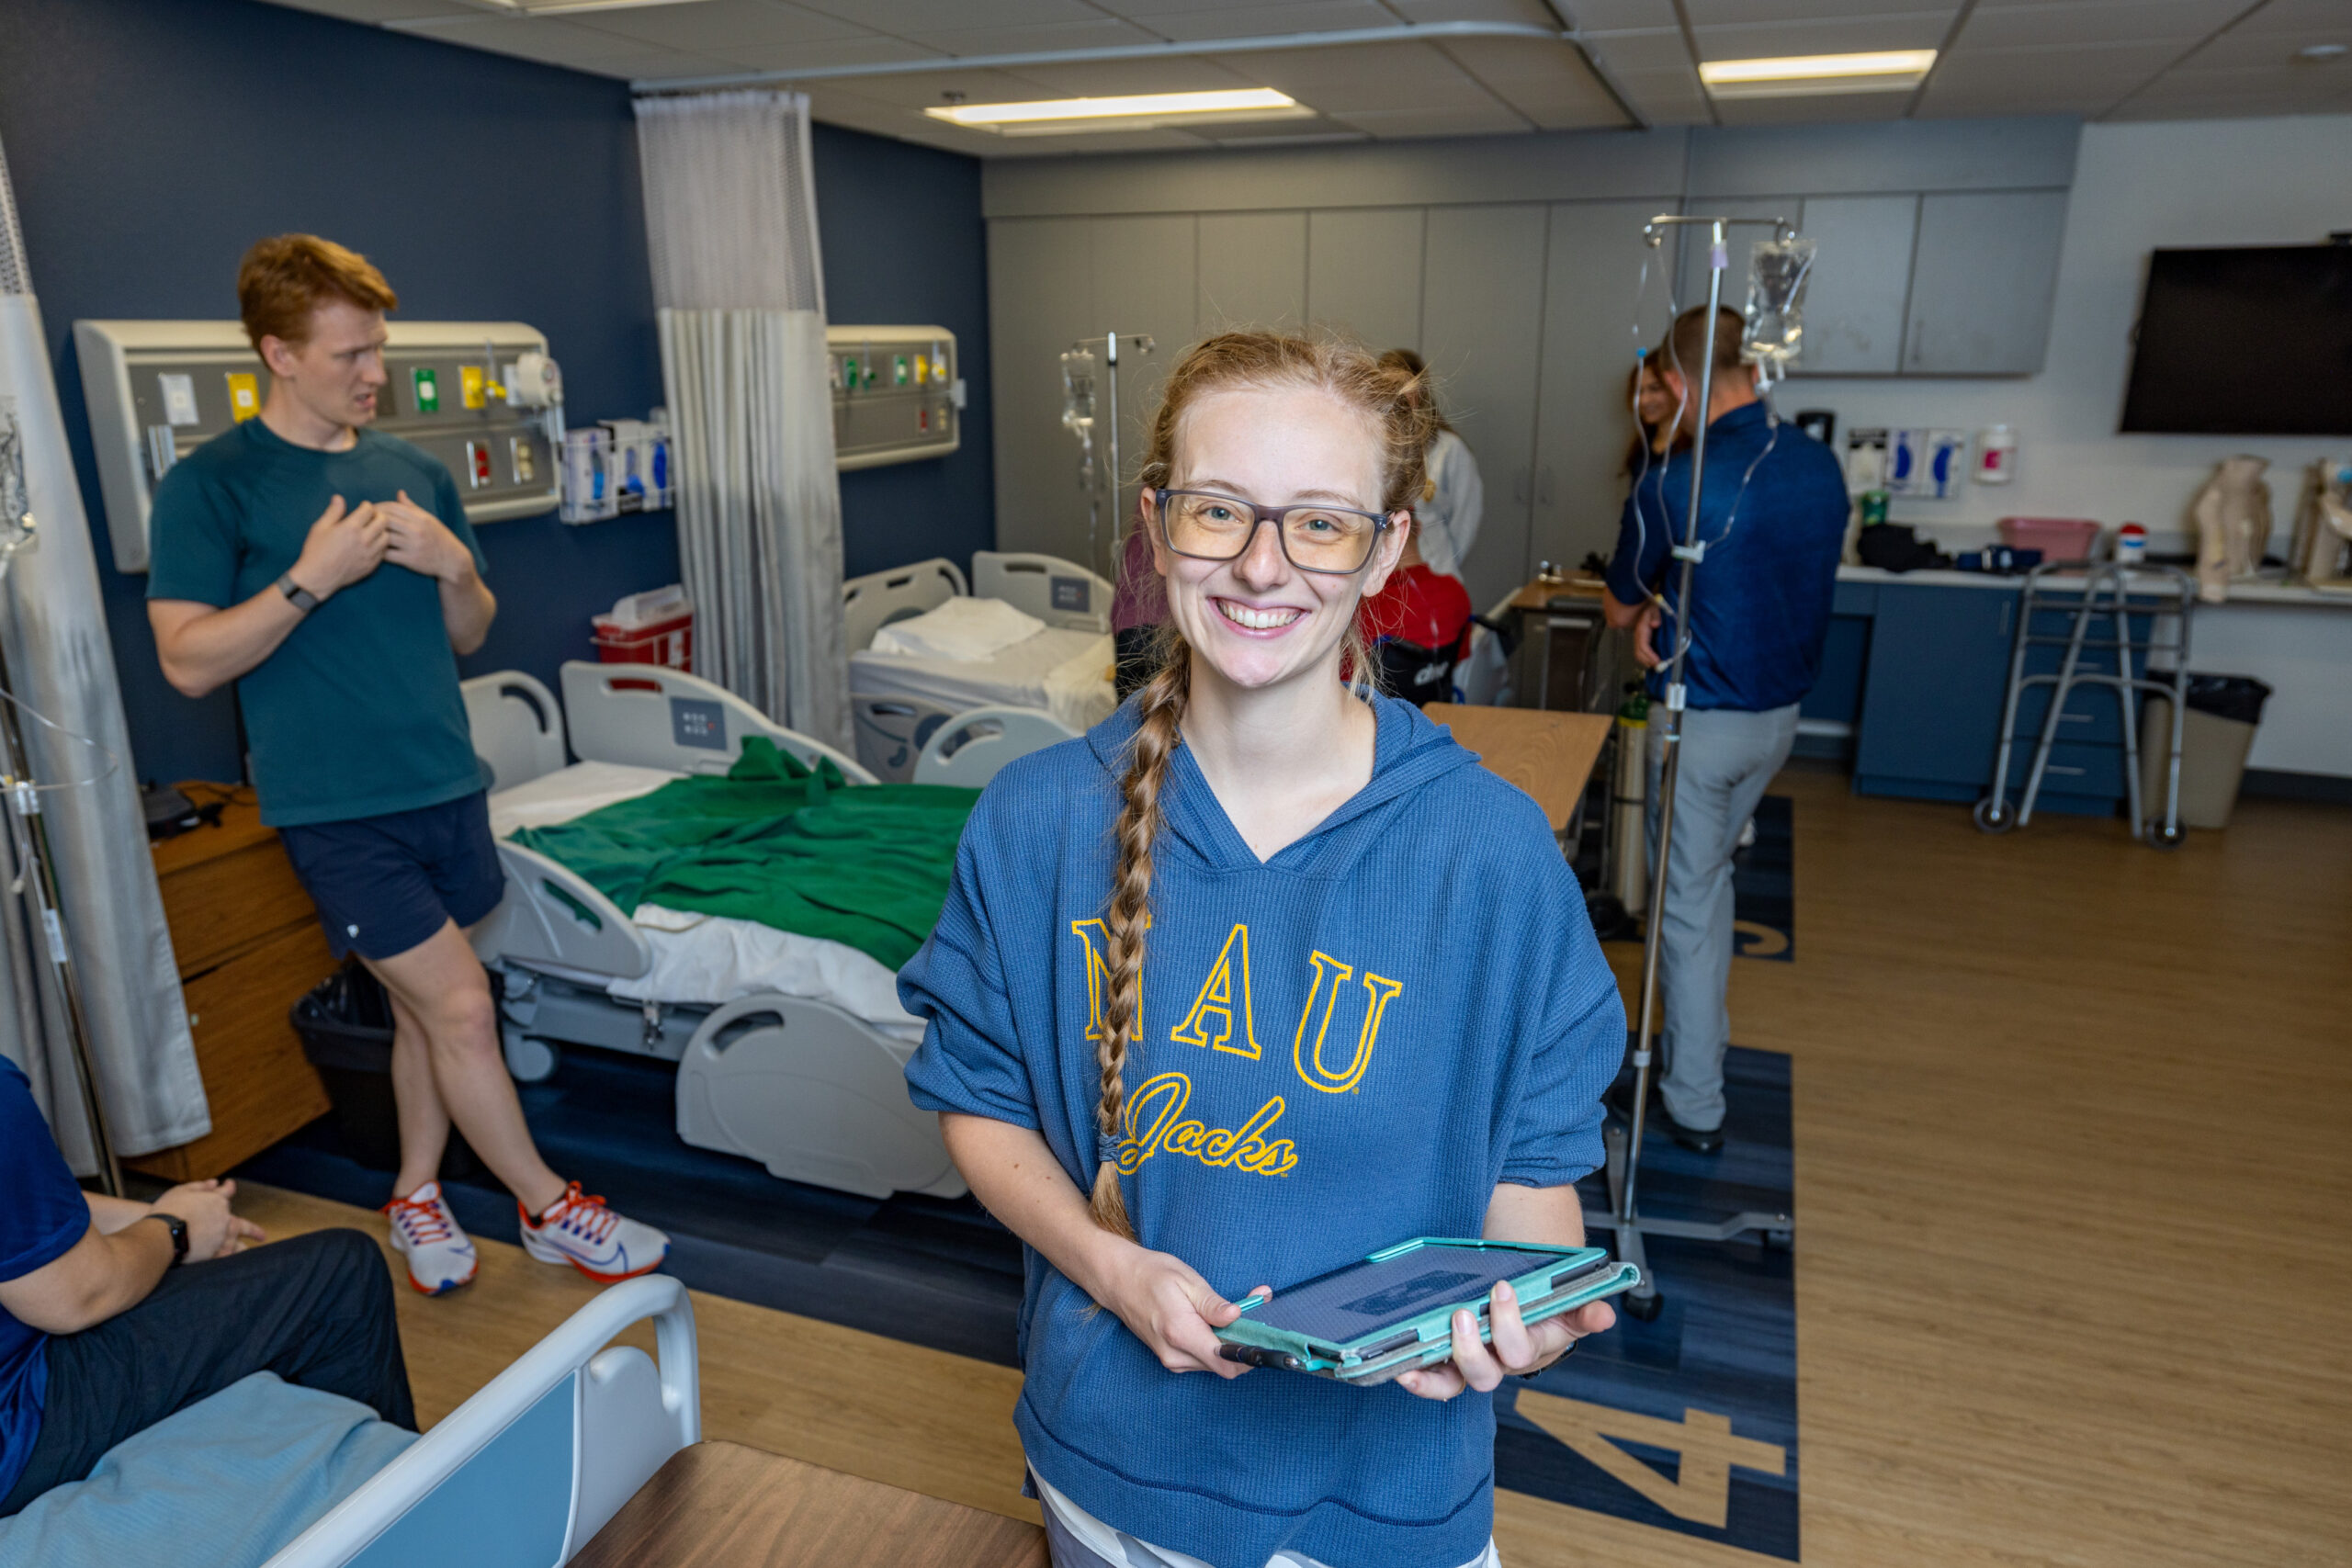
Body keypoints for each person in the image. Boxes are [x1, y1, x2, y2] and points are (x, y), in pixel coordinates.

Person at [900, 332, 1624, 1568]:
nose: (1260, 564)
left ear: (1386, 548)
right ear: (1155, 525)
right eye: (1219, 509)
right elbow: (981, 1102)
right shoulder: (1037, 822)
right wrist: (1110, 1269)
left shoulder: (1490, 856)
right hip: (1112, 1480)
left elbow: (1534, 1181)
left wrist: (1530, 1315)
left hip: (1384, 1498)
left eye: (1320, 523)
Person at [145, 235, 667, 1295]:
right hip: (337, 808)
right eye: (350, 355)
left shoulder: (414, 473)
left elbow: (470, 631)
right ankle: (548, 1207)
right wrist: (310, 578)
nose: (375, 373)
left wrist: (455, 564)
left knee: (427, 1011)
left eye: (378, 348)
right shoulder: (213, 486)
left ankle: (416, 1192)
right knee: (464, 1006)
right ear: (278, 354)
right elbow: (187, 662)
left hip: (443, 782)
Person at [1601, 307, 1848, 1155]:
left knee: (1687, 912)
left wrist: (1651, 610)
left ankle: (1694, 1103)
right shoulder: (1818, 463)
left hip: (1704, 728)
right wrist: (1674, 606)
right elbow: (1771, 579)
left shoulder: (1678, 481)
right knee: (1709, 887)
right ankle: (1696, 1062)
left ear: (1676, 381)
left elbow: (1618, 606)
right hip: (1778, 724)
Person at [0, 1055, 413, 1516]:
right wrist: (172, 1232)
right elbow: (75, 1297)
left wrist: (160, 1219)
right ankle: (394, 1516)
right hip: (16, 1426)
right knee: (341, 1273)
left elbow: (23, 1201)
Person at [1376, 349, 1483, 581]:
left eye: (1403, 388)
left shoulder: (1449, 449)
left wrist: (1444, 563)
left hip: (1436, 568)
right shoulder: (1374, 446)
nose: (1397, 397)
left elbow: (1465, 521)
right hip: (1386, 575)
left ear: (1420, 392)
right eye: (1388, 388)